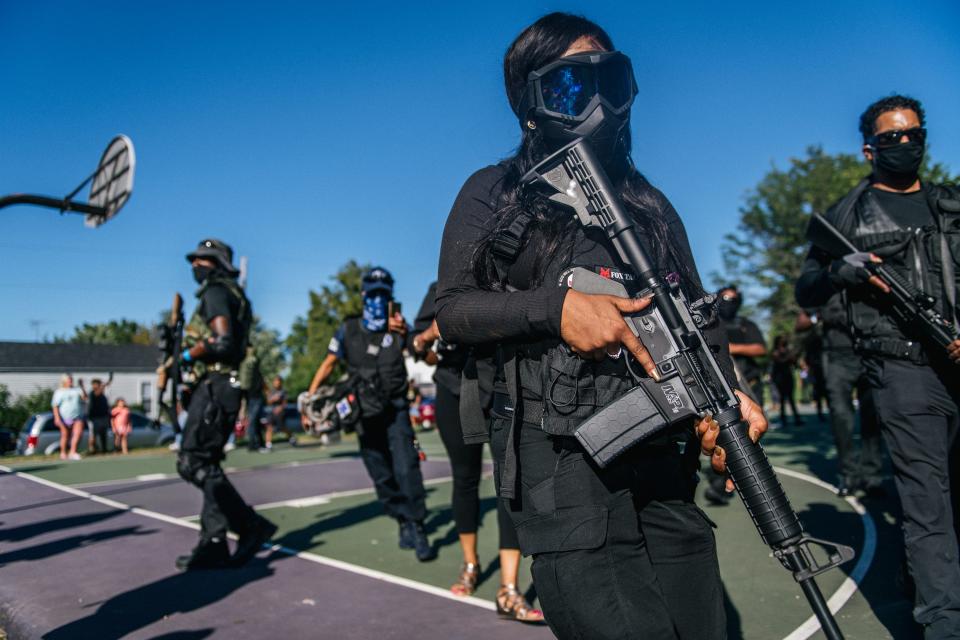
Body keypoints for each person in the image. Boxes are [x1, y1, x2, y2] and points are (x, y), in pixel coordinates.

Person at [435, 14, 767, 639]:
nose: (598, 102)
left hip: (660, 461)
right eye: (568, 85)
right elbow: (453, 309)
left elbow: (697, 314)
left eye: (612, 80)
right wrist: (554, 310)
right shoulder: (495, 193)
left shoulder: (647, 203)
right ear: (528, 103)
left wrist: (728, 398)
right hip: (560, 464)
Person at [796, 94, 960, 637]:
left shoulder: (950, 204)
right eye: (893, 138)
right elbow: (808, 288)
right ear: (870, 148)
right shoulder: (846, 215)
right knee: (926, 504)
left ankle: (920, 583)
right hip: (903, 371)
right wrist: (840, 271)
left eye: (915, 133)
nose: (906, 144)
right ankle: (942, 625)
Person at [412, 282, 543, 622]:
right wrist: (431, 335)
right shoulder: (441, 288)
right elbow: (419, 347)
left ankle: (508, 588)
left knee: (509, 479)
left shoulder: (508, 281)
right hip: (455, 388)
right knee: (465, 478)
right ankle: (470, 565)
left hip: (503, 383)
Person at [307, 267, 435, 561]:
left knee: (407, 469)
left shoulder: (399, 329)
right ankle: (402, 517)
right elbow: (328, 365)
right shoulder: (349, 329)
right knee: (381, 475)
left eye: (384, 294)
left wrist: (412, 338)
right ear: (364, 295)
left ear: (391, 296)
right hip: (363, 414)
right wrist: (311, 399)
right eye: (373, 294)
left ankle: (416, 525)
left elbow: (430, 357)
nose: (378, 300)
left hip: (396, 411)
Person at [175, 238, 277, 571]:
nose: (195, 265)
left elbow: (222, 340)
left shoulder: (216, 292)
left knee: (193, 461)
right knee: (209, 462)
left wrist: (188, 355)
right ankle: (213, 542)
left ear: (216, 264)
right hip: (224, 385)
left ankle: (249, 525)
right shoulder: (232, 293)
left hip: (219, 384)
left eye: (202, 260)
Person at [806, 296, 883, 497]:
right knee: (841, 416)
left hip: (871, 351)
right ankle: (848, 474)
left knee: (872, 416)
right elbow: (803, 319)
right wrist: (821, 316)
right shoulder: (825, 273)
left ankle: (872, 475)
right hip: (837, 356)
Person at [718, 285, 767, 407]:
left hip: (748, 382)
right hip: (722, 385)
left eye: (732, 299)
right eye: (724, 298)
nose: (727, 302)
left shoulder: (745, 324)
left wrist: (732, 348)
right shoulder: (711, 324)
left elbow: (760, 349)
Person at [51, 374, 86, 461]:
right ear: (64, 381)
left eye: (71, 379)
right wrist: (57, 418)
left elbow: (85, 398)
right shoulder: (59, 392)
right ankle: (63, 453)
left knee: (78, 433)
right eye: (69, 379)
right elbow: (55, 406)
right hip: (64, 418)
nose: (70, 381)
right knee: (65, 435)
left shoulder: (77, 390)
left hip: (77, 416)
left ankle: (72, 452)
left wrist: (82, 386)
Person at [770, 335, 802, 426]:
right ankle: (784, 419)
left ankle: (797, 418)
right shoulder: (775, 352)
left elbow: (795, 364)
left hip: (788, 376)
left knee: (791, 398)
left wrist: (794, 358)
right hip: (780, 378)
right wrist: (790, 357)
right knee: (782, 398)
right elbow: (780, 361)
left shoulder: (788, 350)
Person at [239, 345, 266, 451]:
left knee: (254, 420)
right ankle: (255, 443)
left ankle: (255, 442)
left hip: (252, 396)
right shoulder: (251, 361)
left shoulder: (248, 361)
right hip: (253, 396)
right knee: (254, 420)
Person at [264, 375, 294, 450]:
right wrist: (273, 399)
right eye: (275, 381)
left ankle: (291, 438)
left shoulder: (283, 391)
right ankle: (268, 444)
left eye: (278, 381)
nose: (276, 383)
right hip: (271, 412)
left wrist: (280, 408)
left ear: (281, 382)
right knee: (269, 427)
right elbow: (268, 401)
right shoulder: (271, 391)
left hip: (280, 412)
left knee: (282, 428)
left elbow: (285, 403)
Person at [86, 375, 113, 454]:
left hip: (103, 417)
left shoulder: (103, 395)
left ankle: (104, 449)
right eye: (96, 384)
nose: (98, 386)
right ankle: (92, 449)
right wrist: (106, 384)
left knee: (103, 434)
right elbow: (97, 392)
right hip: (94, 418)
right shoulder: (92, 393)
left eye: (99, 384)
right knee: (93, 435)